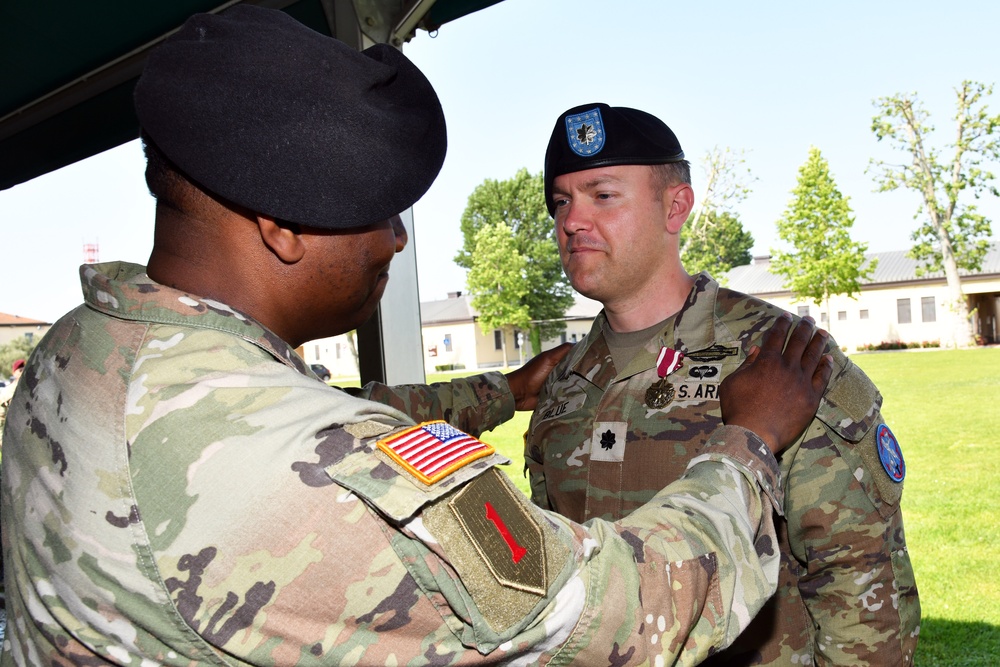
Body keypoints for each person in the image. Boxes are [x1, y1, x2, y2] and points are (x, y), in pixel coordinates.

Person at [0, 8, 832, 665]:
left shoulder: (80, 352)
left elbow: (316, 407)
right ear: (284, 227)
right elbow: (618, 617)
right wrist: (748, 440)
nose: (397, 241)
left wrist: (502, 391)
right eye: (380, 210)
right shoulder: (318, 475)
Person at [525, 103, 920, 666]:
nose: (572, 220)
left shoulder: (780, 357)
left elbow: (857, 583)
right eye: (561, 201)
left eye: (602, 195)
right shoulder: (565, 381)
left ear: (676, 206)